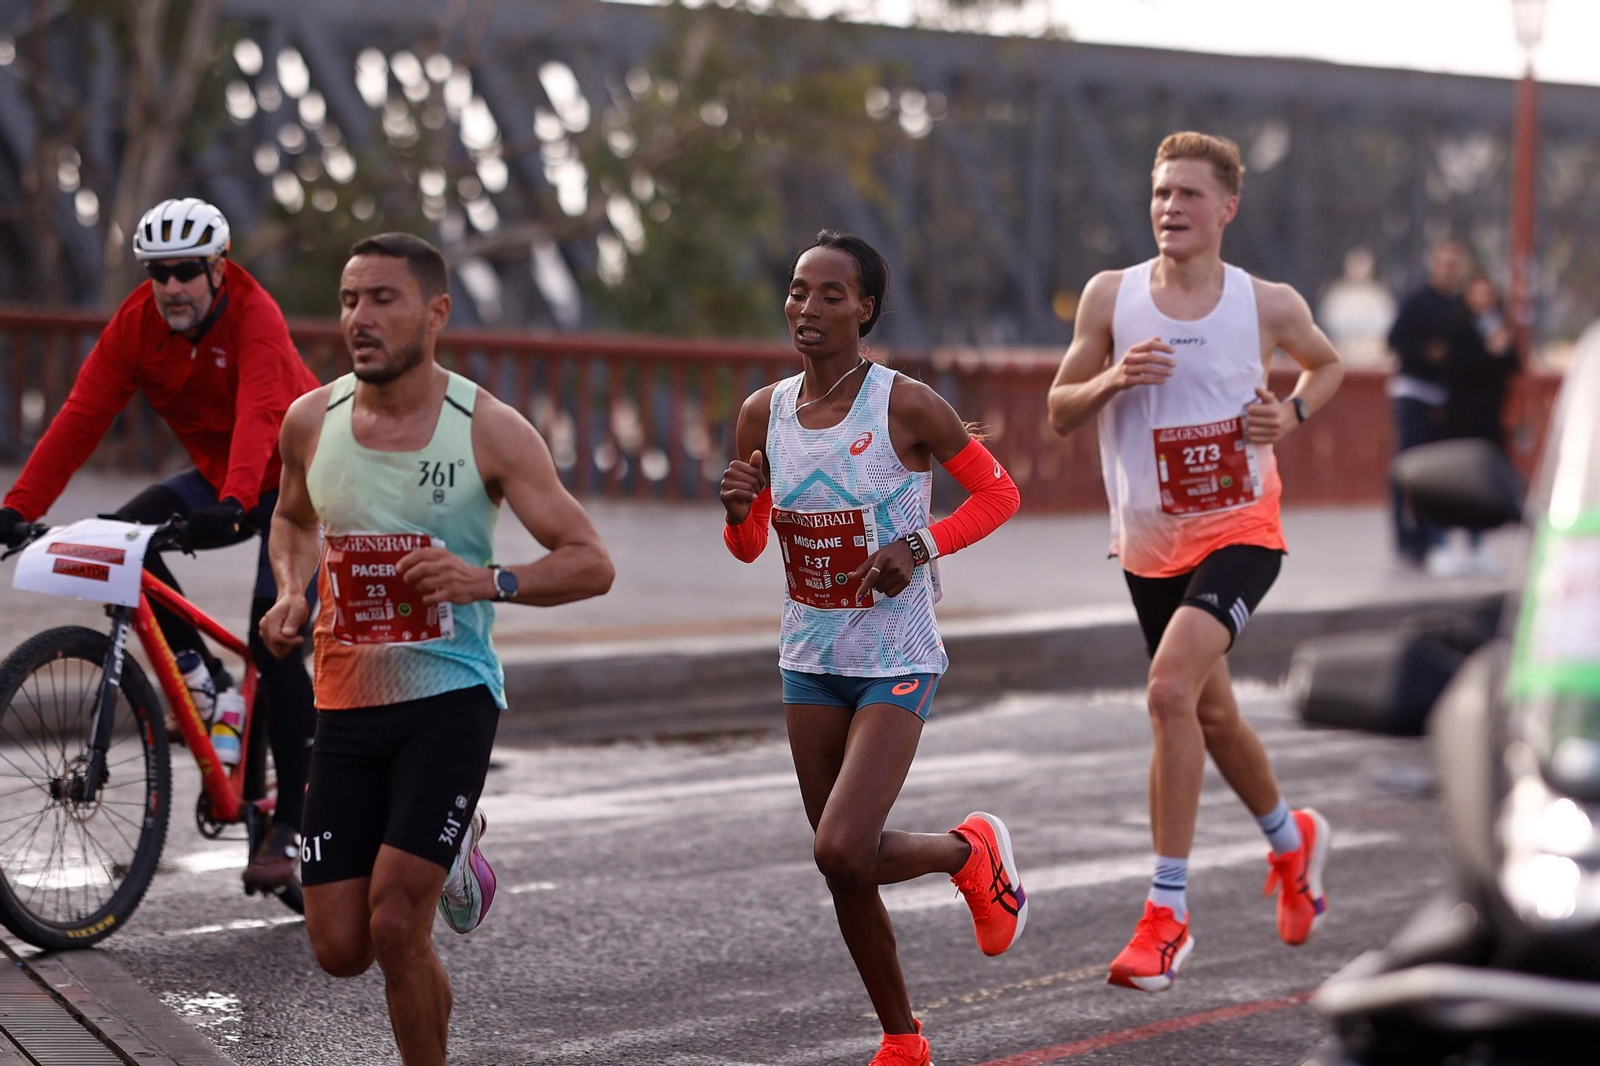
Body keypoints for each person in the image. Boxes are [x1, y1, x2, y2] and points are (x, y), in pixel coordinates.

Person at [260, 233, 614, 1066]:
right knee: (341, 946)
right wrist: (289, 590)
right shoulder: (311, 421)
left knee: (395, 922)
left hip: (451, 695)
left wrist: (486, 580)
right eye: (350, 300)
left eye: (383, 299)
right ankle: (453, 846)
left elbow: (591, 561)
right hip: (344, 698)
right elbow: (293, 518)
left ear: (435, 312)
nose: (360, 317)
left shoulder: (489, 430)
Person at [1046, 132, 1345, 992]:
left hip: (1242, 529)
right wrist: (1112, 380)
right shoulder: (1111, 297)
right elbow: (1060, 410)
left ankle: (1166, 915)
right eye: (1161, 192)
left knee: (1169, 692)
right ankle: (1292, 844)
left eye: (1188, 194)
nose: (1170, 207)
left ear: (1227, 208)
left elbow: (1327, 365)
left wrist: (1291, 415)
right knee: (1210, 717)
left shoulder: (1266, 304)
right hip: (1150, 545)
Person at [720, 231, 1025, 1066]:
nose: (808, 307)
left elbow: (999, 494)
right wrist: (739, 510)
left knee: (840, 845)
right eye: (797, 290)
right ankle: (902, 1039)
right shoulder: (761, 414)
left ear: (866, 310)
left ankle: (968, 851)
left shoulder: (905, 405)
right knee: (845, 868)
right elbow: (749, 548)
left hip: (896, 655)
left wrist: (917, 546)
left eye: (830, 294)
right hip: (809, 659)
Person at [0, 197, 320, 889]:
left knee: (275, 637)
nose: (172, 286)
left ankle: (294, 827)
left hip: (300, 483)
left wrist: (236, 502)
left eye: (186, 271)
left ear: (218, 269)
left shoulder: (255, 316)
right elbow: (82, 415)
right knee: (122, 544)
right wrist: (18, 507)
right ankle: (208, 684)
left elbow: (262, 412)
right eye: (158, 273)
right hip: (222, 480)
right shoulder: (137, 325)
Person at [1385, 239, 1479, 572]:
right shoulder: (1417, 301)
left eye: (1455, 264)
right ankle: (1406, 537)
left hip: (1446, 399)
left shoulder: (1462, 306)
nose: (1449, 269)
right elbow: (1394, 341)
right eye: (1445, 263)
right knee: (1408, 466)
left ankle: (1433, 537)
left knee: (1439, 472)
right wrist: (1426, 352)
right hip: (1414, 393)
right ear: (1435, 265)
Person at [1431, 274, 1519, 577]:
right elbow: (1455, 366)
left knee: (1482, 485)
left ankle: (1476, 546)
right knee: (1451, 482)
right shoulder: (1457, 327)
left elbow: (1514, 365)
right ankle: (1442, 546)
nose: (1483, 300)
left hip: (1489, 418)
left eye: (1488, 294)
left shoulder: (1499, 327)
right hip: (1459, 416)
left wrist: (1502, 349)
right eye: (1478, 294)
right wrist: (1488, 352)